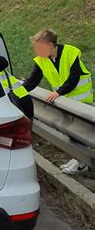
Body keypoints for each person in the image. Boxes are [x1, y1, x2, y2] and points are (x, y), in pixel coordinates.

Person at [23, 29, 93, 175]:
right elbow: (32, 81)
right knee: (73, 133)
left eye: (39, 47)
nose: (36, 51)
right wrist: (16, 94)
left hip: (81, 102)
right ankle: (79, 160)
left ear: (50, 44)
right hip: (65, 102)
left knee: (79, 133)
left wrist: (58, 92)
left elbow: (74, 77)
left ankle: (80, 162)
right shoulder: (42, 60)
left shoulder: (70, 53)